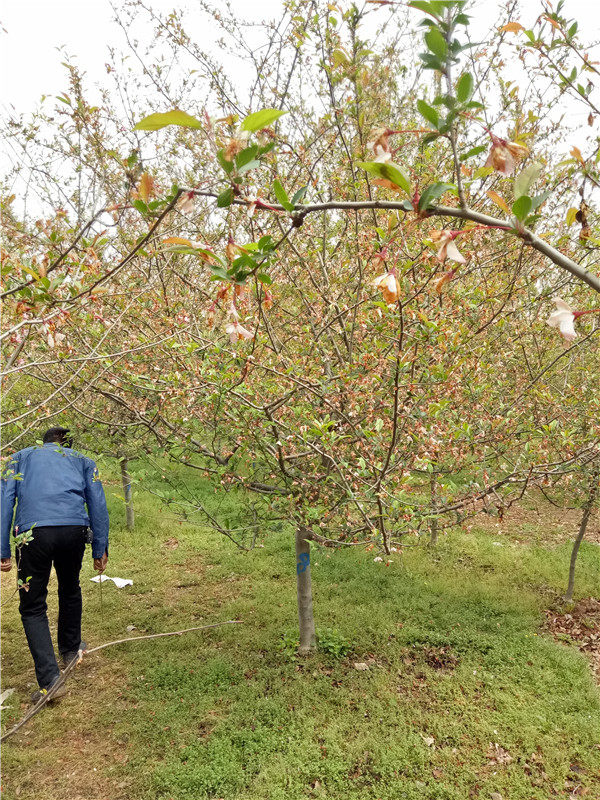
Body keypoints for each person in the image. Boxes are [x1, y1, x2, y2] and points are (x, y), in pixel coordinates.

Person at [1, 427, 109, 703]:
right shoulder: (83, 461)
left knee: (33, 604)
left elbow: (5, 502)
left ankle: (51, 680)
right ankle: (71, 649)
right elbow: (97, 502)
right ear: (68, 445)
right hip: (73, 529)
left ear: (43, 442)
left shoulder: (19, 458)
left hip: (33, 532)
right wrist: (100, 547)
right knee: (70, 586)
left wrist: (3, 549)